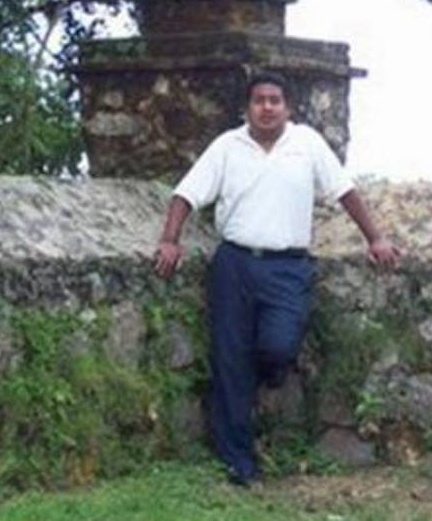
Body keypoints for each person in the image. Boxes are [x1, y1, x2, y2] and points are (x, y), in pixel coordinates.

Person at [152, 72, 401, 486]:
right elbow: (186, 194)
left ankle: (268, 377)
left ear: (288, 107)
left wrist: (375, 238)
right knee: (230, 359)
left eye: (275, 100)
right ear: (246, 108)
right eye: (259, 100)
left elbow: (344, 191)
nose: (267, 107)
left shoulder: (307, 144)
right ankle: (238, 460)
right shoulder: (227, 146)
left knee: (278, 346)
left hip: (287, 267)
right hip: (235, 263)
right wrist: (169, 240)